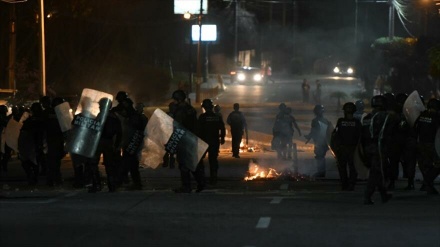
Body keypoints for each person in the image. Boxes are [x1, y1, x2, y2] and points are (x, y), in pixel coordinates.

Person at [360, 95, 393, 205]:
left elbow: (363, 135)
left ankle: (384, 194)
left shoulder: (367, 117)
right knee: (375, 172)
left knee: (377, 171)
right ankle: (367, 196)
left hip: (368, 148)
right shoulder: (384, 116)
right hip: (378, 147)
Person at [170, 90, 205, 193]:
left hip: (184, 139)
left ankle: (186, 186)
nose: (174, 102)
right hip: (192, 138)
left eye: (175, 100)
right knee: (192, 162)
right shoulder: (190, 109)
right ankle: (200, 183)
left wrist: (174, 140)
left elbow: (178, 126)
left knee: (183, 164)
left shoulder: (181, 111)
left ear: (179, 99)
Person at [331, 102, 361, 191]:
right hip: (349, 148)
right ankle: (349, 185)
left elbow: (335, 134)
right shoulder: (356, 122)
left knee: (345, 168)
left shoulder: (341, 121)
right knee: (351, 168)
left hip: (347, 148)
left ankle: (346, 185)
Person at [414, 98, 440, 195]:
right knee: (438, 164)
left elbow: (416, 128)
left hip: (421, 143)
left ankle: (427, 186)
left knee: (427, 164)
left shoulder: (422, 115)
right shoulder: (437, 117)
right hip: (432, 144)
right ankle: (427, 181)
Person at [198, 99, 226, 185]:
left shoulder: (202, 117)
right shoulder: (217, 117)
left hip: (204, 141)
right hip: (214, 141)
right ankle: (213, 178)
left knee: (200, 159)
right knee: (213, 160)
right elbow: (222, 128)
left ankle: (201, 177)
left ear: (204, 108)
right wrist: (222, 138)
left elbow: (198, 129)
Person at [18, 102, 46, 185]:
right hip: (33, 143)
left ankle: (32, 176)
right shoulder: (33, 120)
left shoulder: (34, 120)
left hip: (35, 143)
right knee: (33, 161)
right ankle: (33, 176)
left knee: (31, 161)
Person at [43, 97, 66, 187]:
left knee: (54, 160)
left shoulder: (59, 112)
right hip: (51, 139)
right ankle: (53, 179)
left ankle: (53, 179)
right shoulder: (49, 112)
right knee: (52, 161)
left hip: (57, 139)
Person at [304, 105, 331, 178]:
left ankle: (321, 172)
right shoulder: (326, 120)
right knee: (321, 157)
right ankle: (322, 172)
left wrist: (308, 136)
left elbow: (314, 131)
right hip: (325, 141)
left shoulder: (315, 121)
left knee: (319, 157)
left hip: (319, 142)